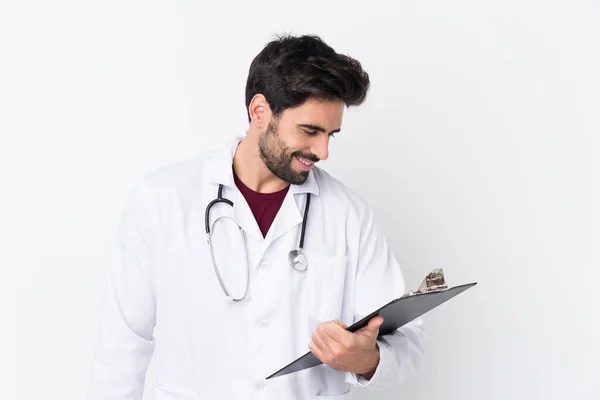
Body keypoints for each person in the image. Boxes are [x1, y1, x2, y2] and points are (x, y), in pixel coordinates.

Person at [87, 34, 425, 400]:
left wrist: (367, 359)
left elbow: (407, 344)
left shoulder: (349, 214)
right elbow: (122, 345)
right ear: (260, 111)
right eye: (310, 131)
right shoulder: (163, 199)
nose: (323, 151)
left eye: (331, 134)